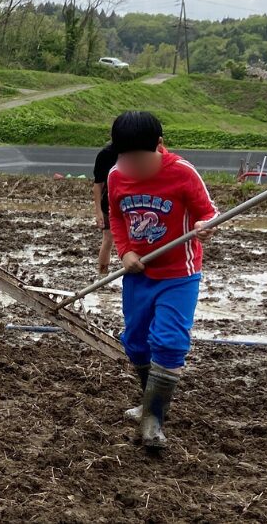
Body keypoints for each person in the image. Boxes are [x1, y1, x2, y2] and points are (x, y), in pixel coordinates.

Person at [107, 111, 216, 451]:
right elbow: (117, 217)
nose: (131, 167)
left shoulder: (182, 173)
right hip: (138, 273)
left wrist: (206, 225)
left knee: (168, 342)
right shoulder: (115, 176)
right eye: (125, 158)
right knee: (136, 343)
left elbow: (208, 212)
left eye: (138, 160)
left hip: (178, 274)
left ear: (158, 147)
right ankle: (149, 399)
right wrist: (124, 252)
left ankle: (153, 419)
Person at [92, 142, 120, 274]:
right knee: (108, 239)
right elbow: (98, 185)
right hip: (109, 203)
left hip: (133, 203)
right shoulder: (105, 155)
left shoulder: (136, 152)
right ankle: (102, 275)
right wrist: (98, 212)